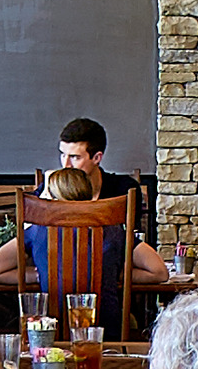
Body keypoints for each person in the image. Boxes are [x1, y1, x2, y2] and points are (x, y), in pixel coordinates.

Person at [54, 118, 175, 280]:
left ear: (97, 158)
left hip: (112, 278)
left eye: (75, 157)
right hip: (59, 276)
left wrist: (103, 274)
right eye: (63, 155)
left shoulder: (124, 189)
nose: (66, 165)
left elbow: (128, 239)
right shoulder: (51, 190)